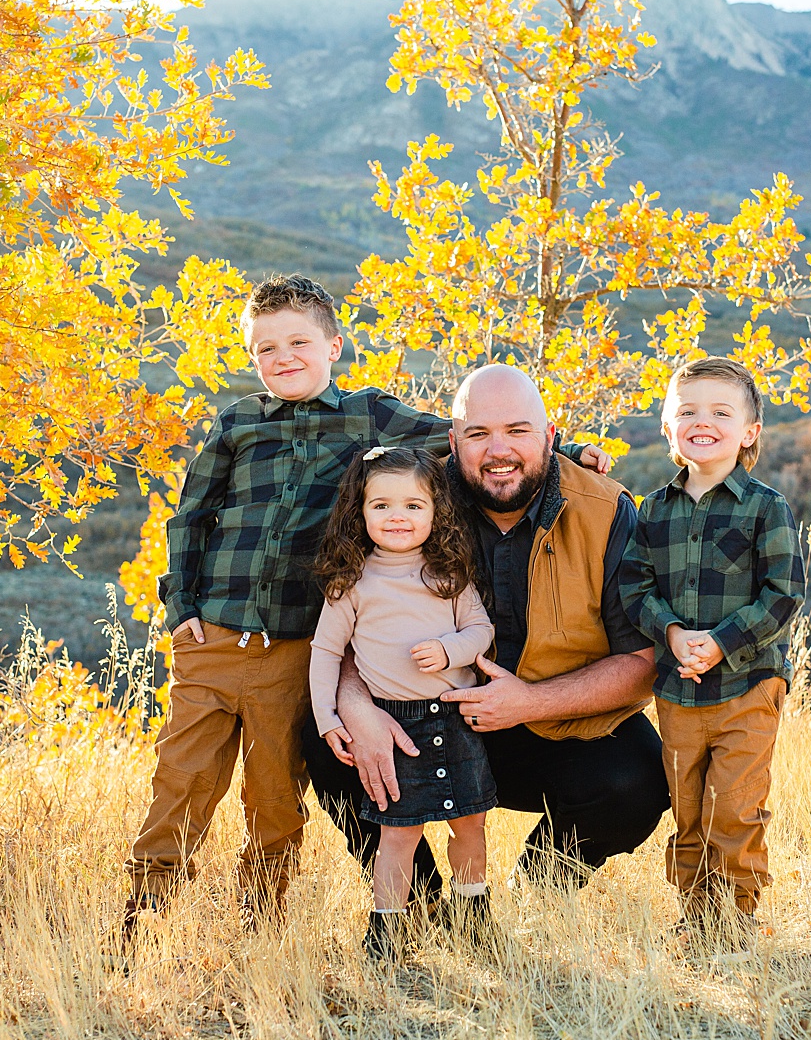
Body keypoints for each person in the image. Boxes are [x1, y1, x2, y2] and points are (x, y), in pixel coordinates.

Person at [124, 276, 609, 938]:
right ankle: (140, 914)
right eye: (266, 347)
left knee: (274, 796)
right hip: (211, 636)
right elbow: (193, 515)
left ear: (334, 346)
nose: (283, 356)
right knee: (182, 778)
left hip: (290, 647)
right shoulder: (237, 423)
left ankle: (262, 923)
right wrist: (182, 601)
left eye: (299, 340)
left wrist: (568, 447)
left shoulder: (367, 415)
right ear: (251, 356)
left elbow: (467, 433)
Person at [304, 364, 671, 903]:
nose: (498, 450)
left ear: (551, 437)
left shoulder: (606, 511)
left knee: (638, 779)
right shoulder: (410, 502)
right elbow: (353, 623)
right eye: (478, 434)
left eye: (518, 431)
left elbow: (641, 663)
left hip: (553, 722)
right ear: (453, 443)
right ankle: (421, 905)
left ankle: (537, 893)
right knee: (329, 742)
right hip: (423, 718)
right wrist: (356, 703)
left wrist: (527, 702)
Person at [619, 357, 805, 934]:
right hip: (678, 690)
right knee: (690, 809)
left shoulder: (764, 506)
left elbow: (785, 592)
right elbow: (634, 585)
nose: (704, 421)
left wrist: (722, 643)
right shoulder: (651, 511)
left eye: (722, 412)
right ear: (667, 427)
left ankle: (737, 919)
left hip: (749, 683)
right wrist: (673, 634)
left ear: (749, 432)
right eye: (688, 411)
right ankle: (697, 918)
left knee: (735, 807)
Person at [309, 447, 496, 960]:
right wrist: (327, 716)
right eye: (382, 506)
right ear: (359, 512)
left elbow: (481, 630)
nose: (398, 517)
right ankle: (387, 928)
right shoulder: (351, 583)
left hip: (455, 717)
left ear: (436, 513)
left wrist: (450, 650)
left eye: (414, 506)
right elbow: (326, 652)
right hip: (394, 725)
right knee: (398, 833)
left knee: (471, 823)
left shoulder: (448, 574)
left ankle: (472, 916)